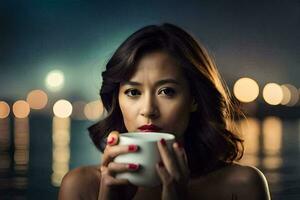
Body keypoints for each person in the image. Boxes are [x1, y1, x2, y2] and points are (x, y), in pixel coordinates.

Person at [58, 23, 271, 200]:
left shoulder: (242, 186)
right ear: (118, 99)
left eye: (166, 91)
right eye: (133, 92)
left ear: (194, 100)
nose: (148, 110)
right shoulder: (81, 187)